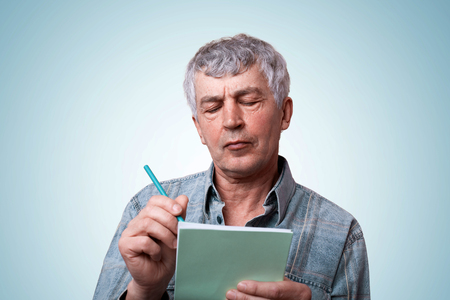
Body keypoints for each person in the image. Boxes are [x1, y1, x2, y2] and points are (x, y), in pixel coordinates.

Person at [93, 34, 370, 300]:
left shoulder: (341, 233)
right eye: (212, 108)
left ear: (284, 113)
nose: (231, 121)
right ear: (199, 128)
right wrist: (144, 292)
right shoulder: (146, 212)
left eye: (249, 101)